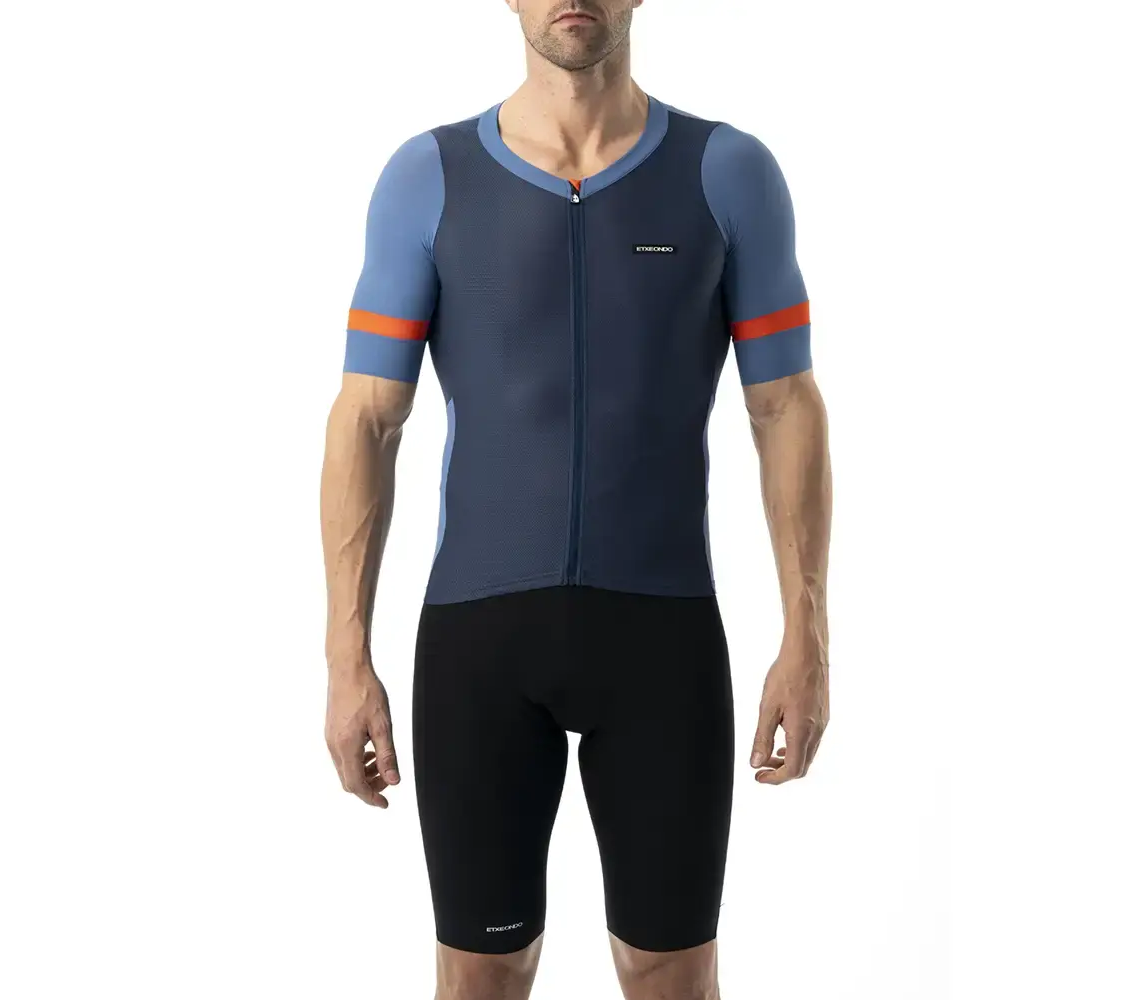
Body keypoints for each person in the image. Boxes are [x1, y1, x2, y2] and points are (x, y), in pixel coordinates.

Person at [318, 2, 831, 996]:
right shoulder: (426, 178)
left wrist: (804, 633)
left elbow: (784, 406)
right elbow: (366, 420)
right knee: (481, 973)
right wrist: (347, 661)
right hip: (479, 647)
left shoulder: (726, 174)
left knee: (670, 971)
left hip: (662, 641)